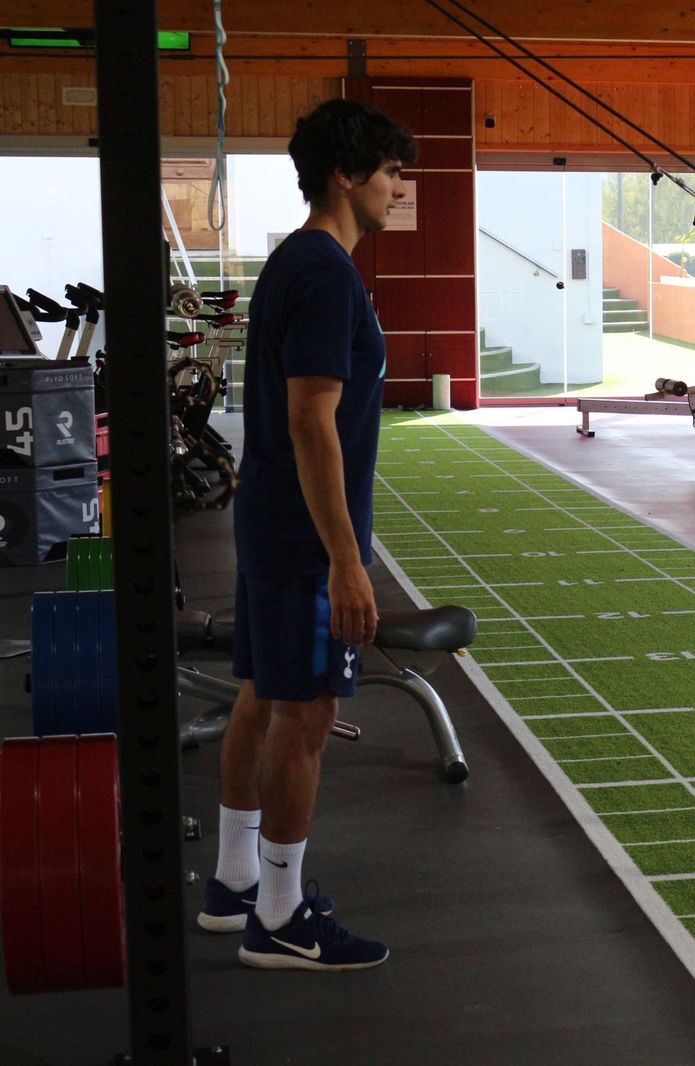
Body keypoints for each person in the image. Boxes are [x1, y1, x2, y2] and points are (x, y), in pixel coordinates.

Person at [195, 98, 417, 969]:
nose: (397, 190)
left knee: (260, 693)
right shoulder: (324, 273)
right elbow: (311, 420)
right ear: (346, 174)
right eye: (391, 173)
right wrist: (345, 563)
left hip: (272, 521)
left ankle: (233, 883)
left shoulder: (296, 261)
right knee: (306, 712)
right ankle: (281, 916)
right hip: (302, 537)